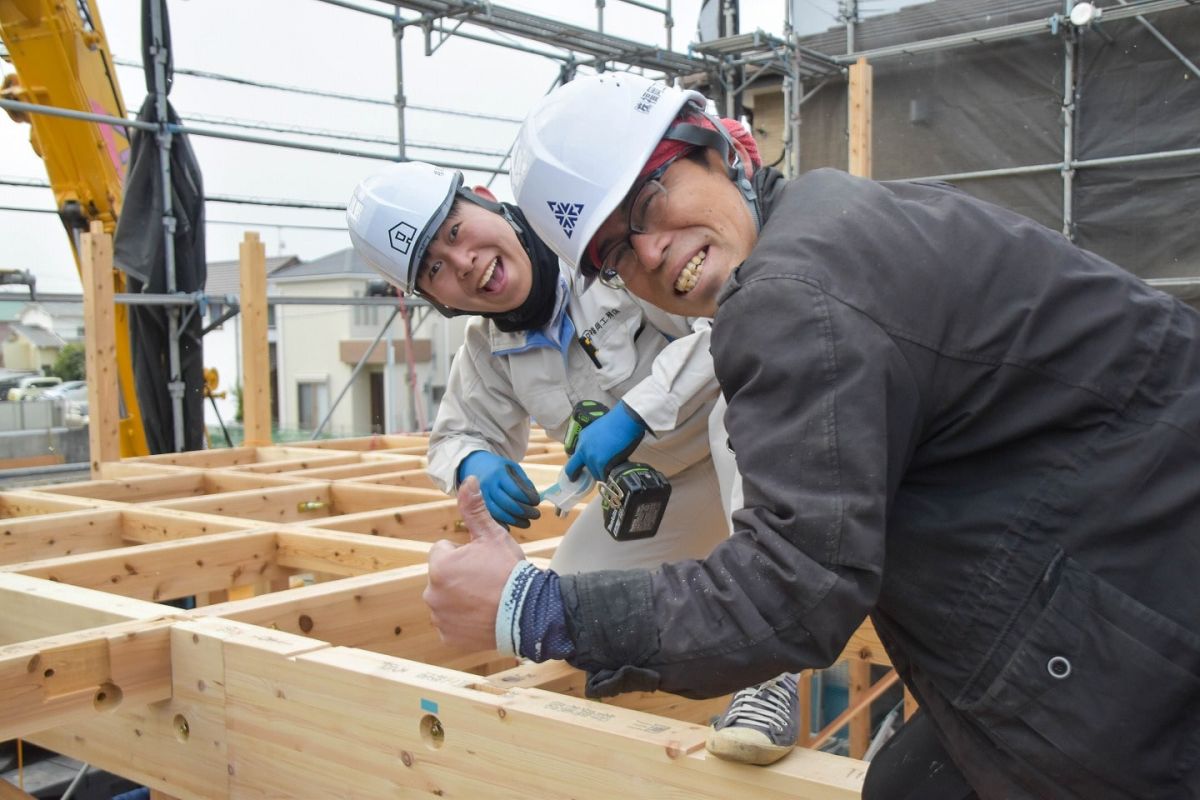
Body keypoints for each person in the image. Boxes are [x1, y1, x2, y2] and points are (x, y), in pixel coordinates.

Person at [424, 72, 1200, 799]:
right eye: (618, 252)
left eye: (650, 198)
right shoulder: (827, 216)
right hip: (1104, 537)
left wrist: (528, 609)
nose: (651, 248)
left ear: (716, 150)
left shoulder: (790, 297)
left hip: (1145, 618)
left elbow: (793, 596)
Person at [347, 161, 799, 766]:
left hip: (752, 461)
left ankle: (768, 672)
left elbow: (729, 320)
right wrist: (472, 462)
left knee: (739, 415)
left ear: (483, 200)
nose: (464, 264)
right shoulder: (489, 350)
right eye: (435, 270)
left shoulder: (602, 256)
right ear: (434, 300)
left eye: (454, 233)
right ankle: (627, 722)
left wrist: (637, 411)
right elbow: (454, 433)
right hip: (667, 491)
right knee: (561, 604)